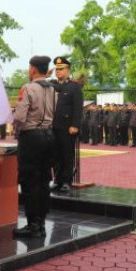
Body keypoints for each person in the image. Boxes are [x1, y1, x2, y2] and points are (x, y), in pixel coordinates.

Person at [12, 55, 55, 238]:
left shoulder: (28, 88)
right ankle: (42, 223)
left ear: (32, 69)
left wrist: (17, 130)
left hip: (31, 137)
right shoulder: (53, 89)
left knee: (29, 181)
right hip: (48, 135)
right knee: (44, 181)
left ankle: (32, 225)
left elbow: (20, 117)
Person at [50, 56, 83, 193]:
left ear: (68, 70)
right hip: (53, 126)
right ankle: (57, 180)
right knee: (55, 155)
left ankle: (66, 181)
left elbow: (77, 107)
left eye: (61, 69)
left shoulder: (74, 87)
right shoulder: (51, 85)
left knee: (67, 155)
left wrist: (75, 125)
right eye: (56, 69)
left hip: (67, 127)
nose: (58, 72)